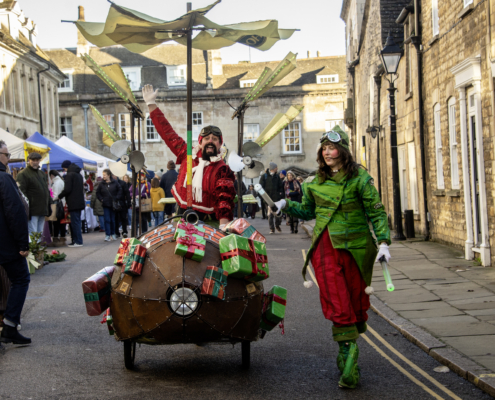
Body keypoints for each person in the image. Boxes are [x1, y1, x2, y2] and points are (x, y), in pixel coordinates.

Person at [273, 127, 391, 389]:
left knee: (355, 298)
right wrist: (286, 205)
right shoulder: (314, 182)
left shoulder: (360, 178)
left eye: (332, 147)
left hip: (356, 247)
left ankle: (346, 350)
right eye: (324, 147)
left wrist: (383, 241)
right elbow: (307, 211)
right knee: (336, 298)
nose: (327, 152)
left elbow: (376, 211)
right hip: (325, 246)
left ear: (344, 151)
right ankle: (348, 353)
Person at [143, 84, 235, 228]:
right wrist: (151, 105)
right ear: (201, 141)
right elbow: (168, 133)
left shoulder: (223, 169)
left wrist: (224, 227)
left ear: (219, 144)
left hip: (210, 223)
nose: (210, 141)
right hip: (181, 218)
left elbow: (225, 200)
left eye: (215, 139)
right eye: (207, 138)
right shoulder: (188, 154)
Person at [0, 140, 31, 344]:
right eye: (6, 154)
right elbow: (15, 212)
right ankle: (10, 325)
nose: (9, 158)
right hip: (5, 243)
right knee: (21, 279)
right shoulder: (3, 178)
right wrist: (23, 244)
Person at [16, 152, 50, 236]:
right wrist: (27, 208)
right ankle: (34, 249)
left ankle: (37, 248)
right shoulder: (23, 174)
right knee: (33, 233)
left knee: (39, 233)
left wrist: (48, 204)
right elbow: (21, 193)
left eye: (37, 160)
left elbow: (46, 190)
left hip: (42, 209)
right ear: (29, 160)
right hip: (32, 210)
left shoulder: (41, 173)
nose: (35, 162)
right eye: (33, 160)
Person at [56, 160, 85, 248]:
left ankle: (78, 241)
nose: (64, 170)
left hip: (73, 202)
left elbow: (67, 189)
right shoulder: (78, 174)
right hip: (79, 201)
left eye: (64, 168)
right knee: (77, 222)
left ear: (66, 167)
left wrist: (59, 196)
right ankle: (77, 240)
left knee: (75, 223)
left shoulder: (69, 175)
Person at [96, 169, 122, 241]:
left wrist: (117, 198)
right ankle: (107, 235)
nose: (103, 176)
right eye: (103, 175)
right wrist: (101, 199)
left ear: (108, 175)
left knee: (113, 220)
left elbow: (120, 190)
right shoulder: (101, 184)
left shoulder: (115, 183)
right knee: (107, 220)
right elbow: (97, 193)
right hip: (105, 204)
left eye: (104, 175)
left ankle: (113, 233)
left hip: (113, 204)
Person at [259, 162, 284, 234]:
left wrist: (281, 194)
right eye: (276, 168)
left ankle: (277, 225)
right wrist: (263, 196)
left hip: (276, 198)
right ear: (273, 168)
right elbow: (261, 187)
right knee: (269, 214)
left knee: (277, 213)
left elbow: (280, 187)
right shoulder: (264, 176)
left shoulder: (277, 177)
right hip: (267, 198)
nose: (277, 169)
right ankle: (272, 228)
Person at [49, 170, 67, 244]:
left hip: (57, 204)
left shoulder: (56, 182)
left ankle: (56, 238)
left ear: (52, 175)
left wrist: (50, 200)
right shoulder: (60, 181)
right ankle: (62, 238)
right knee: (61, 222)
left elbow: (56, 195)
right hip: (62, 204)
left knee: (56, 222)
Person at [113, 173, 131, 239]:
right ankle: (116, 232)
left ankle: (124, 231)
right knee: (116, 219)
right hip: (114, 203)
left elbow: (127, 193)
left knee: (123, 218)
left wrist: (129, 202)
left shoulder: (122, 183)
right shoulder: (111, 183)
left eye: (113, 174)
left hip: (122, 203)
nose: (113, 176)